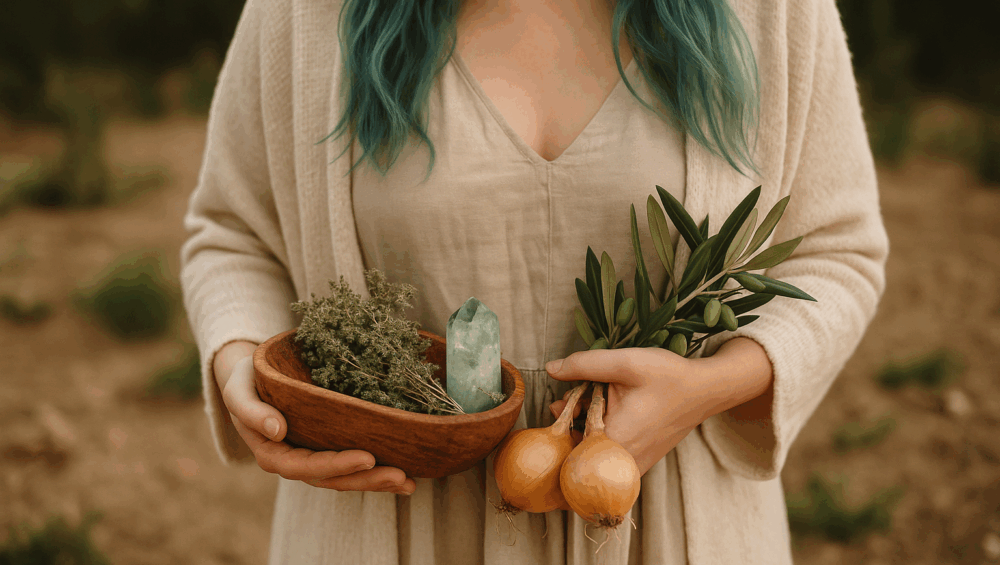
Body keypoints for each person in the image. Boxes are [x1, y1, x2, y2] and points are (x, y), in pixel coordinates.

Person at [180, 0, 889, 563]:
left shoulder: (770, 9)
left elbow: (837, 250)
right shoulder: (308, 12)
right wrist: (246, 361)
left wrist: (712, 385)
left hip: (666, 521)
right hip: (388, 521)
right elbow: (231, 231)